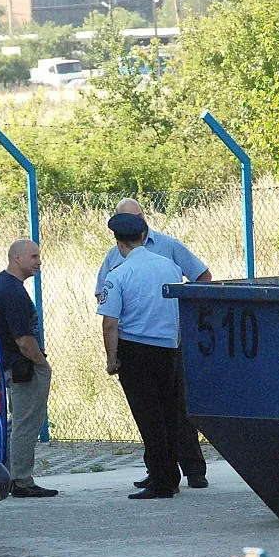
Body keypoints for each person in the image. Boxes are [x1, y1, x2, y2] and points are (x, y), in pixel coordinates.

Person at [95, 198, 210, 490]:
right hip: (168, 347)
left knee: (149, 417)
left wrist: (112, 359)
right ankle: (168, 474)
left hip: (135, 349)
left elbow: (110, 321)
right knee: (170, 413)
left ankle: (162, 478)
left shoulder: (119, 272)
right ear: (143, 236)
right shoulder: (169, 267)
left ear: (119, 243)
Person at [0, 239, 58, 498]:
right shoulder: (12, 292)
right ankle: (21, 480)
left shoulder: (2, 284)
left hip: (13, 366)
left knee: (18, 422)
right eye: (33, 256)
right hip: (23, 368)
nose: (39, 261)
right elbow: (23, 340)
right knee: (26, 424)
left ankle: (9, 475)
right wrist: (41, 362)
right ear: (16, 258)